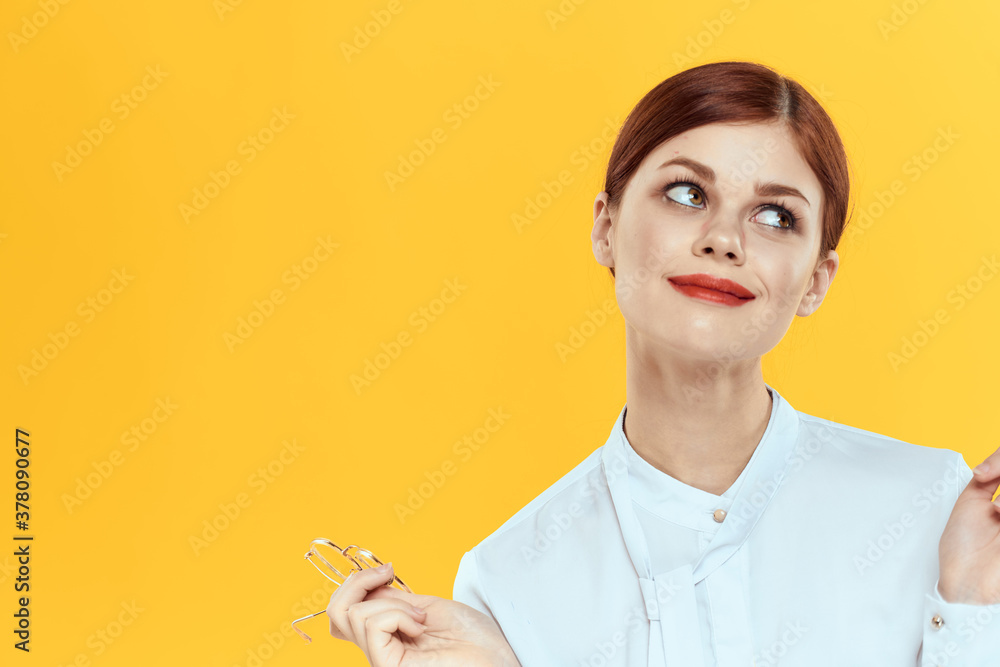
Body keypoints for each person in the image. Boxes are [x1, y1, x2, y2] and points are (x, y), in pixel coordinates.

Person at [325, 60, 1000, 667]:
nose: (724, 240)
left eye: (775, 215)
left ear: (817, 280)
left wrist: (974, 620)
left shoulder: (933, 507)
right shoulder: (507, 580)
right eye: (687, 195)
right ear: (605, 227)